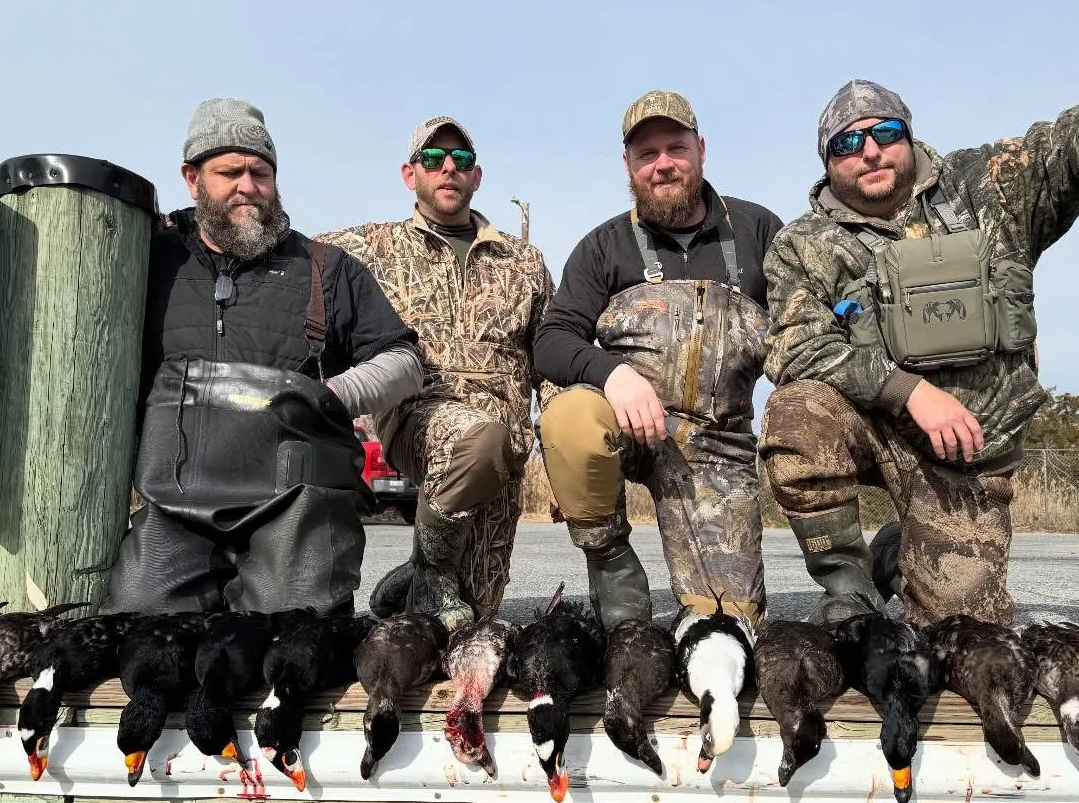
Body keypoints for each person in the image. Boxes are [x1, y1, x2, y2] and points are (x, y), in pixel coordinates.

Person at [760, 80, 1079, 626]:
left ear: (907, 136)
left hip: (969, 454)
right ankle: (849, 588)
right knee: (794, 413)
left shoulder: (985, 184)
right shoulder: (801, 245)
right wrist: (909, 392)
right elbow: (796, 346)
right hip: (878, 428)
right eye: (847, 143)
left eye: (885, 133)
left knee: (961, 633)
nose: (869, 151)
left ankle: (897, 551)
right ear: (827, 160)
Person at [101, 98, 423, 616]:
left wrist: (329, 395)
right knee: (142, 619)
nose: (248, 186)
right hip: (177, 500)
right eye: (230, 172)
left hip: (296, 503)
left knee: (291, 627)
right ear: (192, 177)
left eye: (261, 172)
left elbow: (404, 362)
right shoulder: (146, 258)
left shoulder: (326, 269)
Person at [534, 91, 783, 630]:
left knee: (724, 624)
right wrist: (613, 374)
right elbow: (552, 340)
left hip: (717, 445)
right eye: (647, 154)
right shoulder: (603, 246)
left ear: (701, 150)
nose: (663, 163)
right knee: (571, 417)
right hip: (626, 425)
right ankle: (611, 565)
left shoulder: (759, 230)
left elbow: (796, 329)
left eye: (676, 147)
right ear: (629, 165)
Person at [316, 116, 557, 630]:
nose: (448, 167)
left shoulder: (525, 262)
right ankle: (431, 570)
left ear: (477, 177)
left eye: (461, 160)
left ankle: (419, 571)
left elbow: (549, 366)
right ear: (410, 174)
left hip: (507, 447)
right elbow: (287, 255)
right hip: (418, 418)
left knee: (472, 618)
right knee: (475, 439)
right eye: (433, 158)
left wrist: (555, 458)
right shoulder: (369, 248)